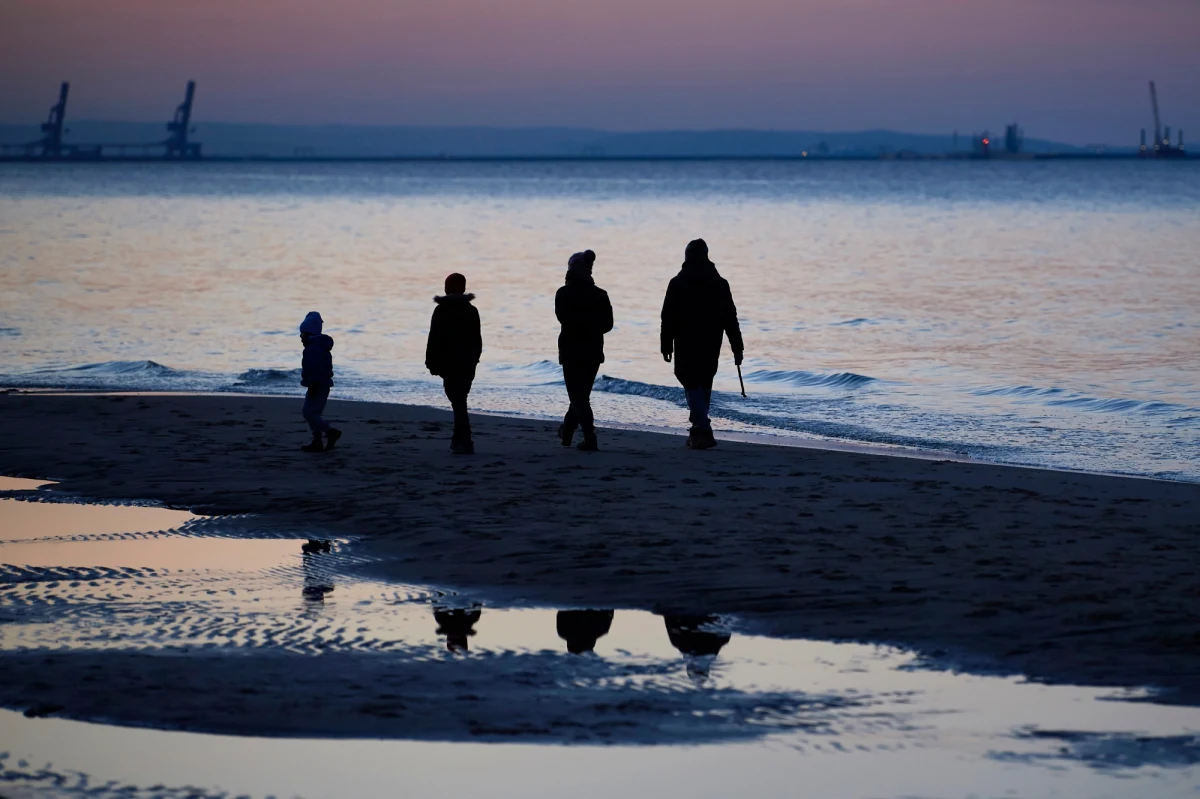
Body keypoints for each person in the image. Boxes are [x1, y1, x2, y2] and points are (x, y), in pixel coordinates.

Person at [659, 239, 744, 449]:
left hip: (686, 339)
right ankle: (698, 429)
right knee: (704, 382)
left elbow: (667, 317)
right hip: (711, 339)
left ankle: (703, 427)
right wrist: (737, 346)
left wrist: (666, 344)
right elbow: (730, 318)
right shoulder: (719, 283)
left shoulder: (677, 283)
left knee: (690, 381)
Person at [555, 250, 613, 451]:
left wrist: (580, 323)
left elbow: (563, 318)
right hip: (593, 351)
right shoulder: (600, 295)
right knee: (580, 395)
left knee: (578, 396)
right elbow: (608, 324)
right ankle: (568, 431)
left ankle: (589, 435)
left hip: (571, 350)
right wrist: (591, 325)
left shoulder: (563, 293)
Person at [425, 273, 482, 454]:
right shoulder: (471, 310)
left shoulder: (441, 310)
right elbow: (477, 340)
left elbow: (434, 338)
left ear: (447, 288)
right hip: (466, 362)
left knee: (458, 401)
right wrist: (475, 359)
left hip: (449, 363)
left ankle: (463, 440)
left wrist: (431, 362)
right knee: (459, 399)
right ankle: (461, 439)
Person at [298, 311, 342, 453]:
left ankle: (330, 432)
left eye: (302, 333)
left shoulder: (313, 349)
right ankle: (317, 441)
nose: (300, 337)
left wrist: (312, 382)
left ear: (309, 333)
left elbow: (315, 367)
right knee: (313, 413)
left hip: (317, 384)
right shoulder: (318, 347)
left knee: (309, 413)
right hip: (320, 384)